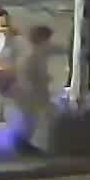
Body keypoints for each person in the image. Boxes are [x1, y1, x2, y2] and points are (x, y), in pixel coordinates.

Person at [9, 21, 59, 154]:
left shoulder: (35, 55)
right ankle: (22, 146)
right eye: (48, 40)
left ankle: (24, 145)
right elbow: (28, 77)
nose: (49, 43)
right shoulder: (32, 56)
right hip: (29, 96)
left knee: (31, 121)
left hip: (32, 95)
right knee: (28, 121)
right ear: (42, 40)